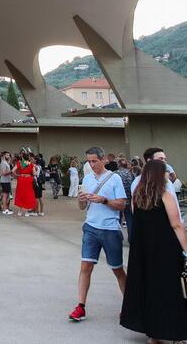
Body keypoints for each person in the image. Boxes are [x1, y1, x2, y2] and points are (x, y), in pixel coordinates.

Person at [120, 160, 187, 341]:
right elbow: (176, 225)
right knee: (169, 291)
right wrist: (186, 249)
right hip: (165, 250)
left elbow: (138, 221)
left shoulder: (137, 195)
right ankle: (171, 330)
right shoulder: (165, 195)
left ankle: (152, 333)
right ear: (160, 174)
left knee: (148, 290)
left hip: (142, 252)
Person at [68, 146, 127, 323]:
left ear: (103, 160)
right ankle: (81, 306)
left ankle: (129, 305)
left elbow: (122, 205)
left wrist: (104, 200)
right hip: (91, 227)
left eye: (94, 161)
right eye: (89, 161)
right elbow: (82, 207)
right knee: (86, 266)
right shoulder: (87, 178)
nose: (92, 164)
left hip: (110, 229)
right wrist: (81, 200)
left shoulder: (114, 178)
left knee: (117, 269)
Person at [12, 152, 35, 217]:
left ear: (22, 157)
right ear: (28, 158)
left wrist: (17, 175)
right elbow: (34, 173)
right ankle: (27, 211)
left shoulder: (19, 163)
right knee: (28, 194)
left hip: (21, 179)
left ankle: (20, 211)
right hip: (28, 180)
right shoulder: (31, 164)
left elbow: (13, 170)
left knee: (21, 194)